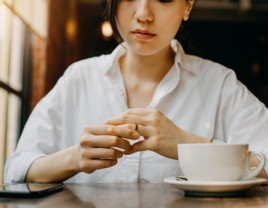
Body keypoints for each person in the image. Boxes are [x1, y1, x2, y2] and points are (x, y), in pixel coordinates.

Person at [4, 0, 268, 183]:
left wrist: (187, 145)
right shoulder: (78, 78)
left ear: (188, 6)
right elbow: (16, 169)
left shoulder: (219, 83)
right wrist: (74, 158)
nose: (143, 14)